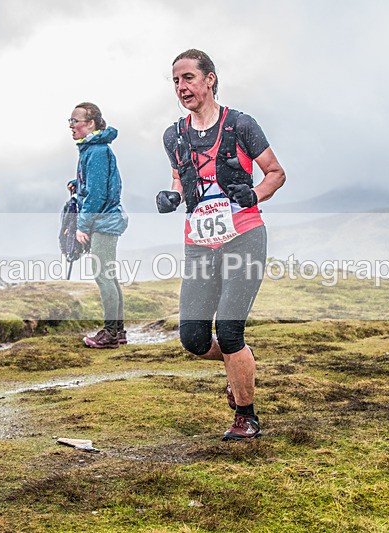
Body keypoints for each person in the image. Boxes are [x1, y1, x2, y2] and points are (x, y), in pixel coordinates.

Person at [157, 50, 286, 440]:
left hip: (244, 236)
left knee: (229, 330)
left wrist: (255, 194)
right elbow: (182, 178)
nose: (182, 87)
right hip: (199, 241)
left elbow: (276, 174)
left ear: (209, 80)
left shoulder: (241, 125)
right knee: (193, 339)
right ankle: (239, 363)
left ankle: (246, 417)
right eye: (176, 81)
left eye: (189, 78)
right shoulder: (173, 135)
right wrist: (174, 197)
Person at [67, 102, 128, 349]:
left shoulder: (97, 151)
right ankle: (119, 331)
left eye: (75, 121)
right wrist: (77, 183)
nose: (71, 126)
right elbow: (93, 185)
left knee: (102, 275)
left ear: (90, 124)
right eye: (69, 121)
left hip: (103, 220)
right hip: (106, 218)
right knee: (109, 276)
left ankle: (111, 334)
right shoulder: (92, 149)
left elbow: (97, 195)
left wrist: (82, 224)